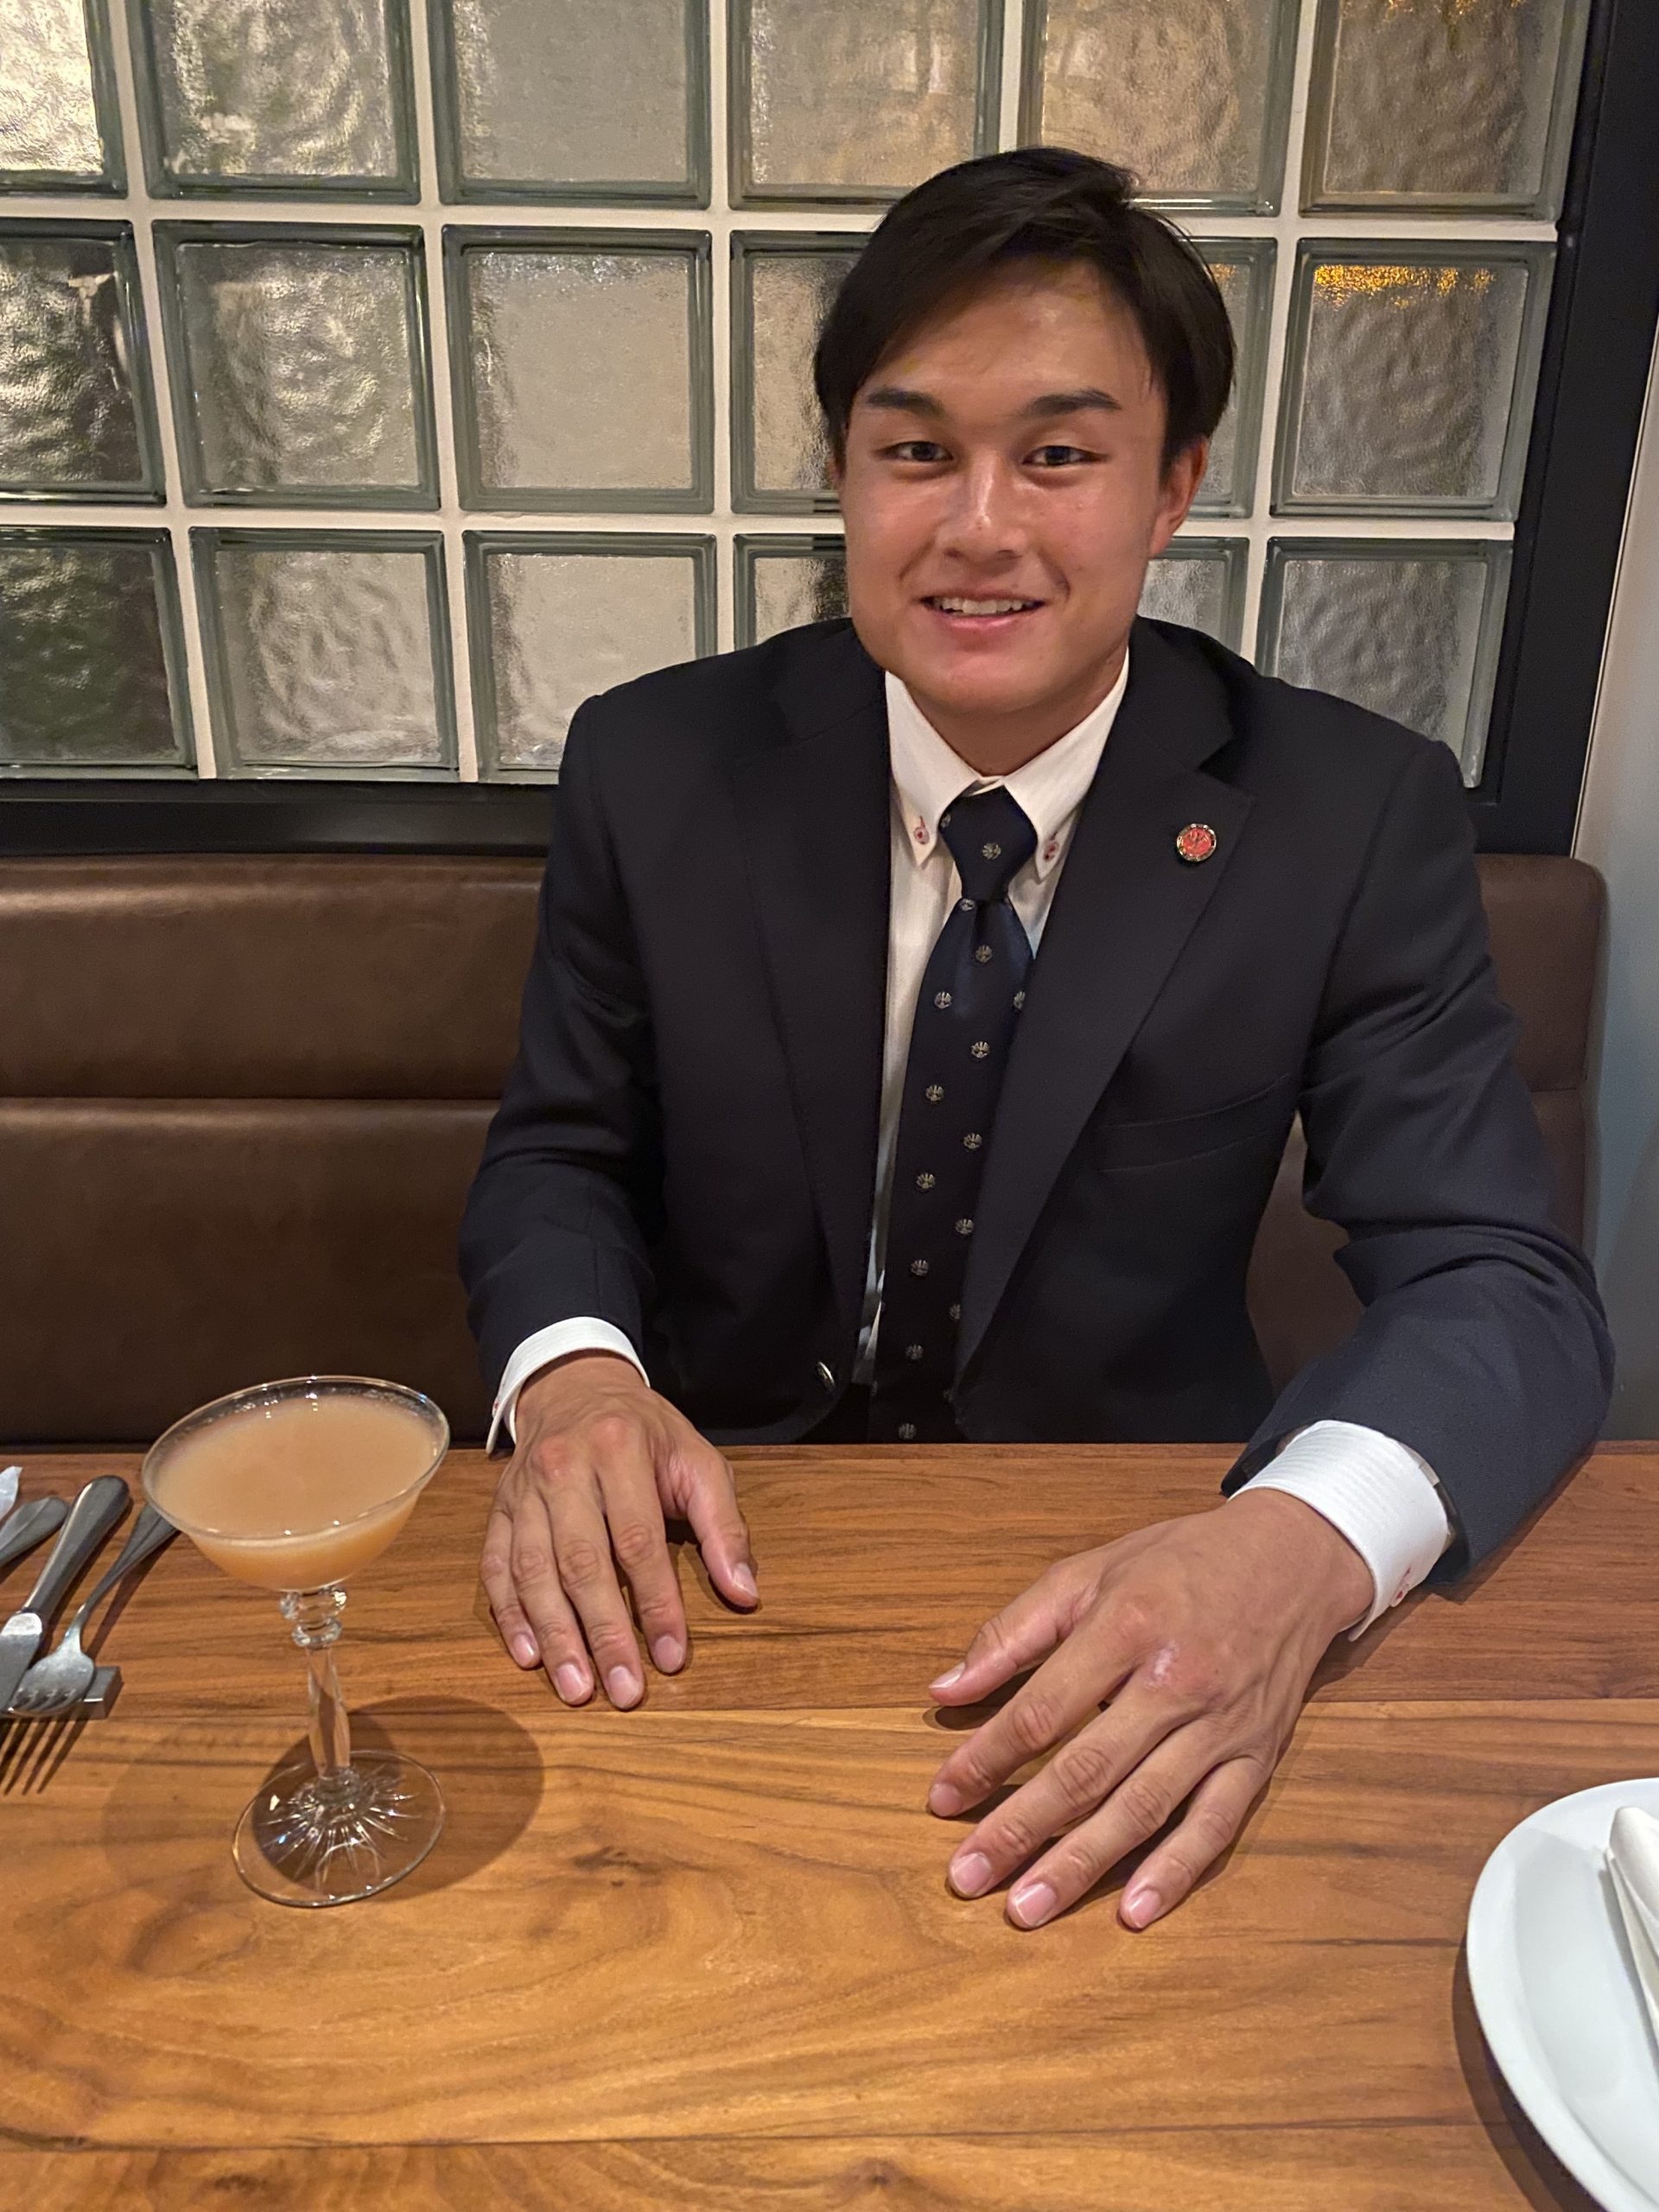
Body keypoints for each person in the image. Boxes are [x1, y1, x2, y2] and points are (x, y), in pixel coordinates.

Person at [460, 148, 1611, 1934]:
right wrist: (578, 1378)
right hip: (719, 1549)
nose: (979, 525)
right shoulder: (658, 764)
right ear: (845, 472)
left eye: (1060, 455)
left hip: (1145, 1545)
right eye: (917, 449)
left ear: (1173, 488)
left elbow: (1500, 1281)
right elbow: (561, 1151)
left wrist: (1297, 1547)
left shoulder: (1344, 810)